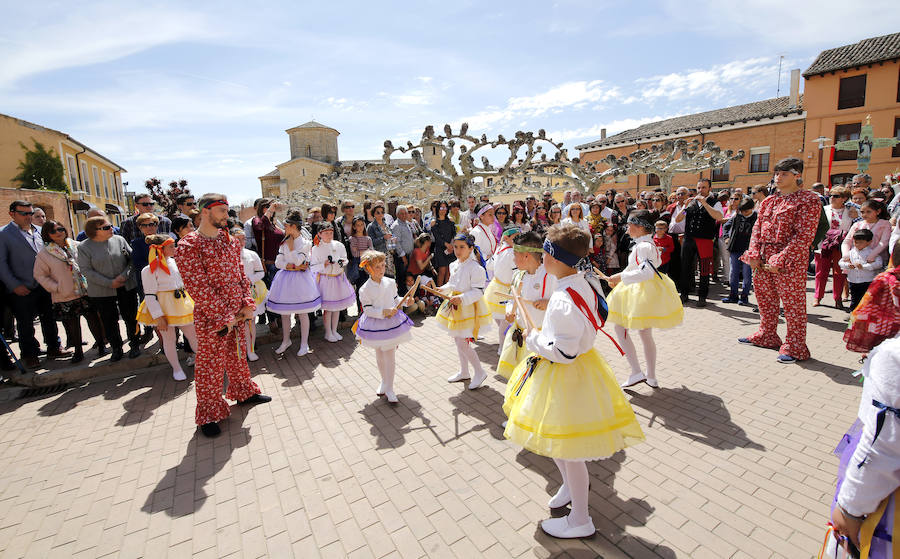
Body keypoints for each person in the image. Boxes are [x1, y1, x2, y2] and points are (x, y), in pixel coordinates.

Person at [502, 223, 645, 539]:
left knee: (568, 449)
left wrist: (534, 338)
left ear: (553, 258)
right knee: (559, 443)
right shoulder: (581, 282)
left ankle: (580, 519)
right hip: (577, 370)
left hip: (566, 374)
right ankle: (569, 486)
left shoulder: (563, 298)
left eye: (546, 253)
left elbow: (564, 352)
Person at [175, 194, 270, 438]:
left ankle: (244, 392)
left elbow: (240, 274)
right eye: (221, 210)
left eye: (227, 210)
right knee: (210, 366)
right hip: (212, 317)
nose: (226, 215)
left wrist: (247, 304)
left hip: (237, 311)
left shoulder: (229, 240)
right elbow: (198, 287)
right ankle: (208, 414)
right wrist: (223, 316)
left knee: (238, 356)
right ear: (205, 211)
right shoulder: (189, 245)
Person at [740, 158, 821, 364]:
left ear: (797, 175)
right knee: (765, 300)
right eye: (777, 173)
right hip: (763, 258)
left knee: (793, 305)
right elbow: (757, 229)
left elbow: (804, 235)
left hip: (790, 260)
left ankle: (795, 346)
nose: (778, 177)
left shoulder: (808, 199)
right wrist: (754, 252)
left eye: (784, 173)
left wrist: (781, 258)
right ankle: (767, 335)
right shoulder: (768, 201)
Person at [601, 210, 683, 388]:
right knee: (644, 333)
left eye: (630, 225)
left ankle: (637, 371)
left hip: (639, 291)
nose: (627, 228)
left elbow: (647, 272)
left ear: (639, 227)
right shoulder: (646, 244)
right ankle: (650, 376)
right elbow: (639, 267)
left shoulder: (644, 246)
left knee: (622, 328)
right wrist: (619, 276)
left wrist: (621, 277)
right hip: (640, 290)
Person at [0, 200, 68, 368]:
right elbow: (1, 263)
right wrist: (14, 285)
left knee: (49, 318)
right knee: (25, 323)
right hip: (22, 287)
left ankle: (54, 347)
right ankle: (29, 354)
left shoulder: (39, 231)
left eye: (30, 213)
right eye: (23, 213)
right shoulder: (3, 234)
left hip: (44, 285)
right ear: (12, 214)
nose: (28, 217)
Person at [33, 220, 104, 364]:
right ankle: (78, 350)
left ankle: (101, 345)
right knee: (72, 323)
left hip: (85, 290)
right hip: (64, 294)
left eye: (60, 229)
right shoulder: (44, 253)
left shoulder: (77, 245)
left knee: (93, 318)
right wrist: (56, 287)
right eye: (53, 231)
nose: (58, 233)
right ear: (47, 235)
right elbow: (40, 275)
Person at [77, 215, 141, 361]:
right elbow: (86, 270)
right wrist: (109, 282)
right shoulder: (84, 247)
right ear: (94, 231)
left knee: (131, 317)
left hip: (126, 286)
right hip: (102, 291)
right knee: (109, 320)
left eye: (111, 226)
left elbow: (131, 260)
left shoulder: (119, 240)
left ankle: (135, 344)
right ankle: (116, 348)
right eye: (106, 227)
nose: (111, 229)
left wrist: (124, 275)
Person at [135, 234, 198, 380]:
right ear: (160, 249)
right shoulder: (149, 269)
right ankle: (176, 369)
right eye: (171, 246)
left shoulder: (176, 263)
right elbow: (149, 295)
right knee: (169, 338)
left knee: (194, 335)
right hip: (164, 306)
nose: (175, 248)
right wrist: (159, 316)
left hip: (182, 303)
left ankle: (205, 364)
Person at [355, 250, 415, 403]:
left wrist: (406, 301)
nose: (381, 269)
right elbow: (367, 310)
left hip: (391, 323)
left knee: (389, 355)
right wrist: (383, 312)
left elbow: (396, 300)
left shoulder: (389, 282)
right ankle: (384, 381)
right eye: (377, 267)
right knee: (380, 354)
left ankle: (389, 388)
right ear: (368, 269)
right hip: (376, 324)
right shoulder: (364, 289)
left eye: (383, 265)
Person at [434, 233, 492, 390]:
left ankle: (479, 372)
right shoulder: (454, 265)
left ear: (471, 248)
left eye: (462, 247)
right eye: (456, 247)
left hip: (469, 308)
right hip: (456, 306)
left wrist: (463, 298)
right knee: (457, 339)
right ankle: (464, 371)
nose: (458, 250)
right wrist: (443, 289)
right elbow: (452, 284)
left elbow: (479, 291)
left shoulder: (476, 268)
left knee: (462, 342)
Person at [497, 232, 554, 380]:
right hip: (521, 335)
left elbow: (565, 302)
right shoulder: (517, 275)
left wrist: (549, 303)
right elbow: (511, 299)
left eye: (515, 254)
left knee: (536, 380)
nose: (513, 258)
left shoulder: (550, 276)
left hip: (541, 338)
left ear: (526, 255)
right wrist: (510, 311)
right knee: (520, 377)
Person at [268, 210, 321, 356]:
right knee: (285, 314)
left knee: (303, 313)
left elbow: (300, 260)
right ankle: (286, 341)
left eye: (286, 226)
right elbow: (279, 263)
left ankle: (304, 343)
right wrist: (292, 266)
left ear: (293, 226)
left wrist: (291, 250)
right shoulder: (284, 242)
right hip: (285, 279)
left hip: (301, 281)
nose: (284, 228)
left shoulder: (305, 243)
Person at [676, 179, 724, 307]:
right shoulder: (691, 203)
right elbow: (678, 219)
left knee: (704, 269)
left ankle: (702, 296)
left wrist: (705, 204)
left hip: (705, 240)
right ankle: (684, 294)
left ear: (709, 189)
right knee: (685, 267)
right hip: (689, 238)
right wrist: (685, 207)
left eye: (703, 187)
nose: (700, 190)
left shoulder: (715, 202)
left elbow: (719, 217)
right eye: (698, 188)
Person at [311, 222, 355, 343]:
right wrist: (324, 264)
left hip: (338, 278)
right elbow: (313, 267)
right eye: (326, 233)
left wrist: (340, 262)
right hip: (326, 280)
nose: (329, 235)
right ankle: (328, 332)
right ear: (319, 234)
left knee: (337, 307)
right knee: (328, 309)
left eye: (331, 233)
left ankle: (334, 330)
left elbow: (345, 259)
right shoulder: (316, 249)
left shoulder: (339, 245)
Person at [814, 186, 854, 309]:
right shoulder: (824, 209)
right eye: (831, 195)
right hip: (823, 243)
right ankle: (818, 297)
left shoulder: (850, 212)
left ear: (844, 198)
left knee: (839, 272)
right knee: (821, 271)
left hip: (841, 244)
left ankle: (838, 299)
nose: (832, 198)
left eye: (836, 196)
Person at [231, 227, 266, 362]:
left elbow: (261, 272)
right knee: (238, 323)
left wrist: (248, 279)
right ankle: (240, 350)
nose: (241, 242)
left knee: (250, 322)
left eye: (243, 239)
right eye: (237, 239)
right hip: (233, 293)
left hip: (250, 291)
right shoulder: (226, 256)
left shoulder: (251, 254)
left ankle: (250, 350)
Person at [482, 228, 518, 355]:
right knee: (505, 321)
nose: (518, 239)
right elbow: (516, 273)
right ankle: (502, 348)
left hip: (496, 286)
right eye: (515, 237)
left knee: (503, 321)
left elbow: (489, 265)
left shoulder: (500, 249)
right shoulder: (511, 252)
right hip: (505, 290)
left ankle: (504, 343)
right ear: (506, 238)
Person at [252, 199, 285, 335]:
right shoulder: (257, 220)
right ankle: (272, 320)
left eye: (271, 207)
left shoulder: (274, 223)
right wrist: (270, 210)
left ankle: (280, 317)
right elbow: (260, 227)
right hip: (267, 265)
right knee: (269, 295)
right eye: (267, 206)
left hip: (279, 264)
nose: (271, 209)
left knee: (279, 294)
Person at [721, 197, 757, 306]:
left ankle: (745, 296)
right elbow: (726, 226)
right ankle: (733, 295)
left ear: (752, 208)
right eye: (742, 211)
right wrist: (726, 237)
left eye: (746, 211)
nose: (744, 213)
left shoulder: (757, 217)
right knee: (733, 273)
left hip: (749, 250)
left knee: (747, 274)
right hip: (735, 248)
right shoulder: (737, 216)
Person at [839, 229, 883, 312]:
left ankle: (865, 317)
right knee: (854, 300)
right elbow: (840, 262)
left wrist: (864, 266)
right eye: (856, 242)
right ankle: (853, 317)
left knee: (866, 300)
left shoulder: (871, 253)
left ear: (869, 242)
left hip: (867, 281)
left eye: (861, 242)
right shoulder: (851, 252)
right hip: (853, 281)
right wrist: (848, 265)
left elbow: (879, 263)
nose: (857, 244)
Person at [842, 199, 893, 267]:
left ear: (878, 211)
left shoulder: (884, 224)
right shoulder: (857, 225)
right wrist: (846, 255)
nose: (864, 214)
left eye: (868, 212)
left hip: (875, 260)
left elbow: (884, 242)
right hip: (857, 259)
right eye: (862, 212)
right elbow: (847, 241)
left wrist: (871, 256)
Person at [367, 202, 400, 279]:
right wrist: (383, 238)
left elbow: (390, 236)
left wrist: (393, 239)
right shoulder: (371, 226)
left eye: (382, 212)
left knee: (391, 277)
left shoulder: (386, 225)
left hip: (389, 254)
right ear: (374, 214)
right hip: (379, 255)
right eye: (378, 212)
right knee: (381, 277)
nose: (380, 214)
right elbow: (371, 242)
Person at [347, 216, 373, 309]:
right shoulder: (352, 239)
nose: (360, 227)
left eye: (362, 224)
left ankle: (368, 308)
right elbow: (355, 253)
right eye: (358, 225)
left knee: (368, 288)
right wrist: (366, 251)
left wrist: (363, 251)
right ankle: (360, 309)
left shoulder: (368, 238)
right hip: (357, 266)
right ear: (354, 227)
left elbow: (372, 251)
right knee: (360, 288)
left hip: (367, 266)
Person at [430, 201, 457, 286]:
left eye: (445, 207)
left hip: (451, 248)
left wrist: (451, 245)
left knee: (449, 271)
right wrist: (446, 245)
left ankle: (447, 292)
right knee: (442, 271)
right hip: (440, 249)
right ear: (438, 209)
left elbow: (454, 234)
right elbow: (437, 238)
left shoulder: (451, 220)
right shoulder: (434, 222)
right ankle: (439, 293)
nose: (443, 210)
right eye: (441, 208)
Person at [390, 206, 414, 295]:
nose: (404, 215)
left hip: (408, 255)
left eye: (405, 213)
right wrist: (403, 256)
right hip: (401, 257)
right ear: (397, 215)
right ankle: (402, 301)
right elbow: (397, 242)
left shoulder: (406, 223)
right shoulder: (396, 225)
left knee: (407, 278)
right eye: (402, 213)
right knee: (402, 279)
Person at [469, 203, 498, 277]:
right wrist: (486, 257)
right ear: (481, 216)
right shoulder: (476, 232)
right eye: (490, 215)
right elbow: (472, 252)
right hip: (481, 272)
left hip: (490, 269)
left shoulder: (489, 230)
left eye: (493, 214)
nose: (493, 217)